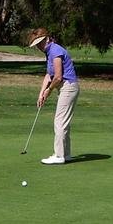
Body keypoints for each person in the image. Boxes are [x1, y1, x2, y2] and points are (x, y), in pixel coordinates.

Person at [28, 27, 79, 165]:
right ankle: (66, 154)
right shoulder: (49, 52)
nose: (38, 46)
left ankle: (59, 155)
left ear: (47, 39)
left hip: (68, 87)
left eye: (40, 43)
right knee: (63, 121)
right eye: (37, 44)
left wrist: (48, 91)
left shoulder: (55, 51)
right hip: (65, 87)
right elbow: (48, 75)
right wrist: (41, 93)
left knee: (60, 121)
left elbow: (57, 77)